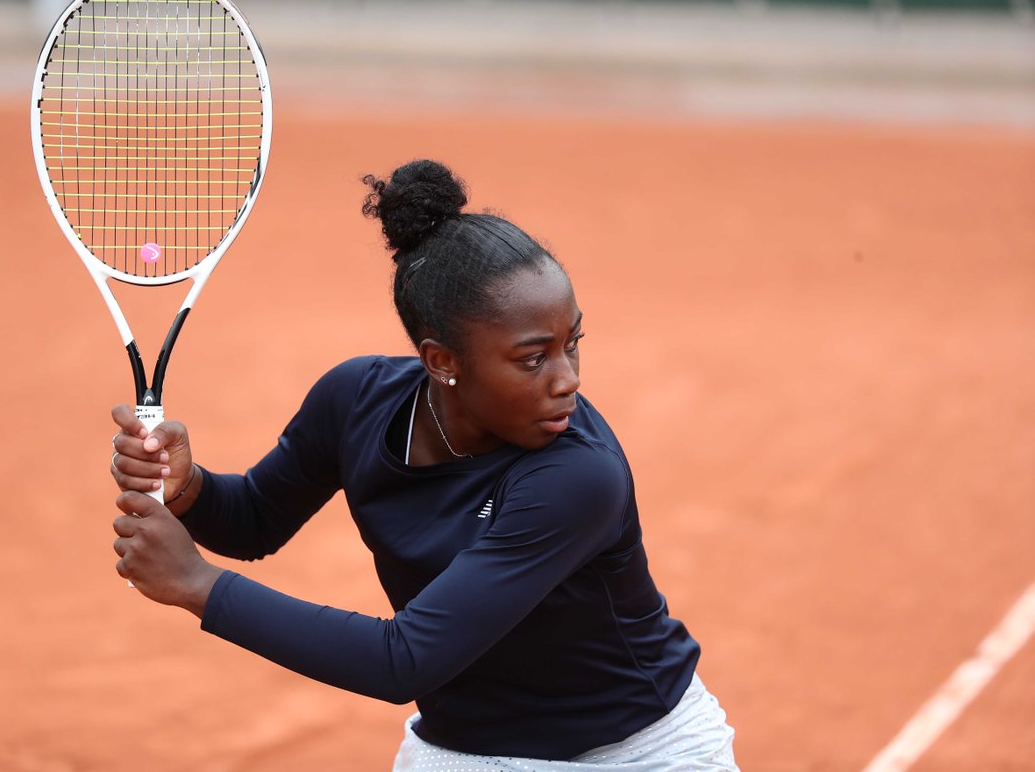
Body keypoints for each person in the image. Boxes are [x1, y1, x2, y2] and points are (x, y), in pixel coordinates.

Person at [109, 159, 739, 770]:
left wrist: (197, 585)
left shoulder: (577, 478)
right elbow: (253, 522)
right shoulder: (356, 401)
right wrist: (187, 487)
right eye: (532, 358)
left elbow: (402, 661)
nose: (567, 379)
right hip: (463, 750)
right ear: (441, 361)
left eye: (571, 344)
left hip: (632, 756)